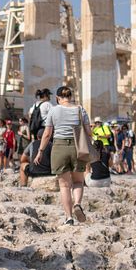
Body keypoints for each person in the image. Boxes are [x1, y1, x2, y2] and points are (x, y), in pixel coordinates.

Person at [34, 86, 89, 225]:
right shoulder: (80, 109)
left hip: (59, 147)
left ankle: (69, 218)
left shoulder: (54, 110)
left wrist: (40, 152)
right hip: (77, 148)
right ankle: (77, 203)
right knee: (78, 181)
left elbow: (47, 134)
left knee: (64, 186)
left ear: (58, 98)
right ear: (70, 96)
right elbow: (89, 132)